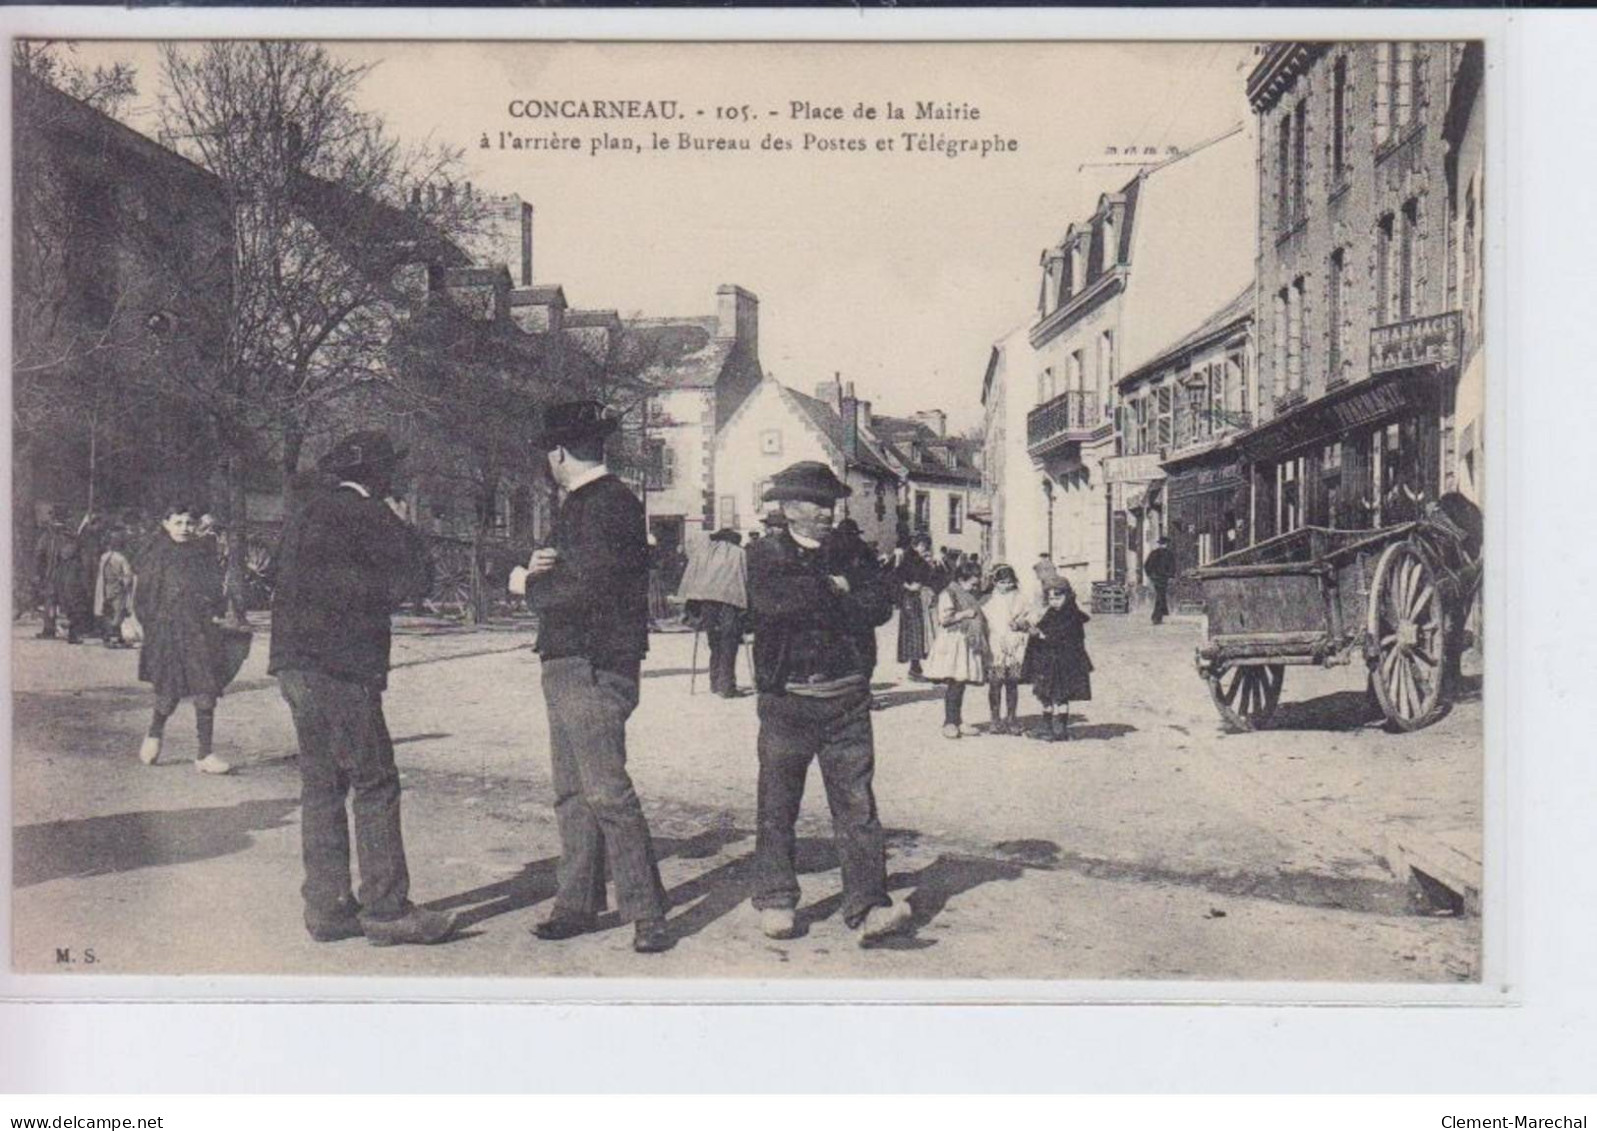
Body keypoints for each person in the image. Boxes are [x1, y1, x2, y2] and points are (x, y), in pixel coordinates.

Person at [270, 431, 453, 947]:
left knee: (322, 786)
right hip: (344, 669)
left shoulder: (306, 512)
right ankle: (387, 909)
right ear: (378, 474)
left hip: (293, 665)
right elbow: (416, 580)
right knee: (374, 782)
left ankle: (326, 909)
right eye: (391, 469)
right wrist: (403, 523)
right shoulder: (369, 513)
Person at [745, 461, 912, 946]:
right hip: (787, 698)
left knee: (857, 806)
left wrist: (837, 592)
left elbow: (880, 605)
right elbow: (776, 603)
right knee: (778, 804)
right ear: (789, 507)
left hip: (847, 697)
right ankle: (776, 900)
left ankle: (867, 906)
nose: (825, 513)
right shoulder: (764, 553)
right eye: (816, 504)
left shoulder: (851, 549)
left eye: (831, 504)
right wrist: (837, 588)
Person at [525, 401, 670, 954]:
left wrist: (527, 587)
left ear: (558, 453)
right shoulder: (605, 504)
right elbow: (581, 575)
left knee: (605, 789)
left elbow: (585, 589)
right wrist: (542, 571)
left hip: (587, 663)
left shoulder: (601, 506)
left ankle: (647, 911)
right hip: (575, 661)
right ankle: (576, 903)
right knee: (573, 791)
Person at [135, 503, 235, 774]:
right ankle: (154, 734)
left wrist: (215, 610)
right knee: (168, 692)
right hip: (167, 634)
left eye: (189, 523)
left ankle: (205, 754)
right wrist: (152, 626)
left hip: (199, 633)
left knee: (206, 691)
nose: (184, 529)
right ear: (166, 524)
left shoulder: (203, 554)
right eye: (178, 522)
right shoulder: (156, 555)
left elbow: (216, 590)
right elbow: (143, 596)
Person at [679, 527, 749, 698]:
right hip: (730, 603)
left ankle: (715, 682)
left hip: (708, 603)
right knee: (729, 642)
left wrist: (692, 604)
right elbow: (746, 578)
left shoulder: (705, 553)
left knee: (714, 642)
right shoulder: (738, 553)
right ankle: (726, 686)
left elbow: (693, 579)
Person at [1023, 580, 1094, 741]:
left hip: (1065, 662)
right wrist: (1033, 629)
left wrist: (1043, 636)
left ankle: (1060, 727)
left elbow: (1066, 637)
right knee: (1045, 694)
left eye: (1057, 598)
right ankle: (1046, 725)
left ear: (1068, 596)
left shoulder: (1072, 615)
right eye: (1050, 599)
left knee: (1061, 695)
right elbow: (1043, 627)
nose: (1054, 602)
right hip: (1048, 661)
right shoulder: (1051, 612)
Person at [925, 560, 989, 739]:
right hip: (953, 643)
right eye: (972, 583)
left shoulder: (967, 594)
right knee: (954, 682)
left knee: (960, 683)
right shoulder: (949, 593)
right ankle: (949, 722)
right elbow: (944, 618)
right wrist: (965, 614)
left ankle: (958, 720)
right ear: (961, 579)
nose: (975, 588)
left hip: (963, 642)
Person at [982, 564, 1031, 735]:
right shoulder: (988, 600)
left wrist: (1021, 624)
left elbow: (1030, 617)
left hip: (1016, 644)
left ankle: (1011, 718)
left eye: (1010, 582)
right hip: (996, 645)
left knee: (1012, 682)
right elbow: (985, 623)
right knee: (996, 682)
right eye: (1002, 582)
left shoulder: (1022, 598)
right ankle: (995, 719)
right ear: (994, 582)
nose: (1006, 586)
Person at [891, 532, 938, 681]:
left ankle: (916, 667)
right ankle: (915, 669)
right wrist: (909, 587)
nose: (926, 548)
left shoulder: (915, 558)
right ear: (916, 545)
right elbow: (896, 576)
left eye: (927, 546)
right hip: (911, 600)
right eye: (924, 545)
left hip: (916, 599)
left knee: (918, 634)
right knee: (915, 634)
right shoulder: (911, 559)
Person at [95, 532, 136, 647]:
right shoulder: (121, 559)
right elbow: (128, 575)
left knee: (107, 612)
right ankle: (114, 637)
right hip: (118, 588)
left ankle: (110, 637)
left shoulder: (104, 557)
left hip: (105, 588)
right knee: (118, 612)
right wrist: (126, 583)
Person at [1143, 537, 1174, 626]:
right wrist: (1151, 576)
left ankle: (1158, 616)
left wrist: (1150, 575)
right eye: (1162, 544)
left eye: (1163, 544)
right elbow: (1147, 565)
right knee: (1160, 596)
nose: (1163, 545)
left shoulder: (1158, 553)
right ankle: (1156, 616)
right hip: (1160, 579)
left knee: (1160, 596)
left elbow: (1147, 565)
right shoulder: (1164, 554)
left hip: (1159, 579)